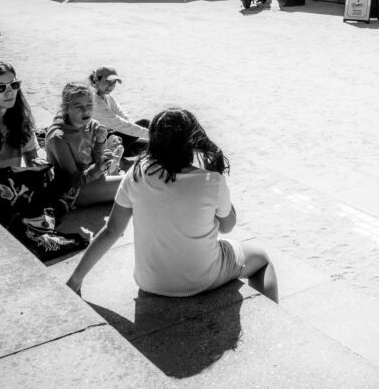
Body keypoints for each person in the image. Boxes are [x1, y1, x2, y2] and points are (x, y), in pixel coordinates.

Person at [66, 108, 278, 303]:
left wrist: (76, 279)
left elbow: (111, 230)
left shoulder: (136, 174)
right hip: (202, 279)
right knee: (261, 258)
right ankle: (274, 314)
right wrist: (218, 178)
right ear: (191, 142)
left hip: (149, 282)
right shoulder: (211, 180)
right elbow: (227, 226)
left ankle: (75, 281)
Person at [0, 60, 86, 261]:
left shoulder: (19, 121)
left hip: (9, 188)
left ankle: (44, 212)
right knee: (26, 215)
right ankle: (47, 213)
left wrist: (38, 167)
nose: (10, 92)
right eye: (1, 88)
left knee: (60, 176)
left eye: (14, 85)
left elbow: (32, 160)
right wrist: (14, 179)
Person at [44, 82, 126, 213]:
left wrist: (100, 142)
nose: (86, 111)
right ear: (66, 108)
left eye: (89, 105)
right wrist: (98, 167)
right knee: (133, 184)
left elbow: (98, 160)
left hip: (93, 177)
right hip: (74, 191)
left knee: (133, 181)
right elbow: (74, 180)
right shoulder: (58, 137)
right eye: (78, 106)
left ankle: (113, 169)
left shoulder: (92, 125)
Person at [90, 65, 148, 161]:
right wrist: (152, 135)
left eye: (114, 82)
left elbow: (124, 117)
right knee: (145, 124)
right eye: (107, 81)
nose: (111, 86)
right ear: (96, 80)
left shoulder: (108, 97)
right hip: (99, 147)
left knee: (149, 144)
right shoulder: (93, 101)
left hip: (112, 140)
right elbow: (120, 124)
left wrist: (148, 136)